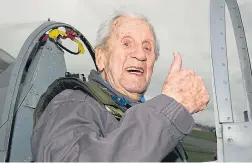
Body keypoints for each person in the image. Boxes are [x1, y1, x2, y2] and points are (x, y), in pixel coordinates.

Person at [31, 10, 210, 162]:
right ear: (100, 57)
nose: (140, 55)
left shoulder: (144, 113)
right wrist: (169, 109)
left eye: (148, 48)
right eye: (126, 43)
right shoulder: (73, 104)